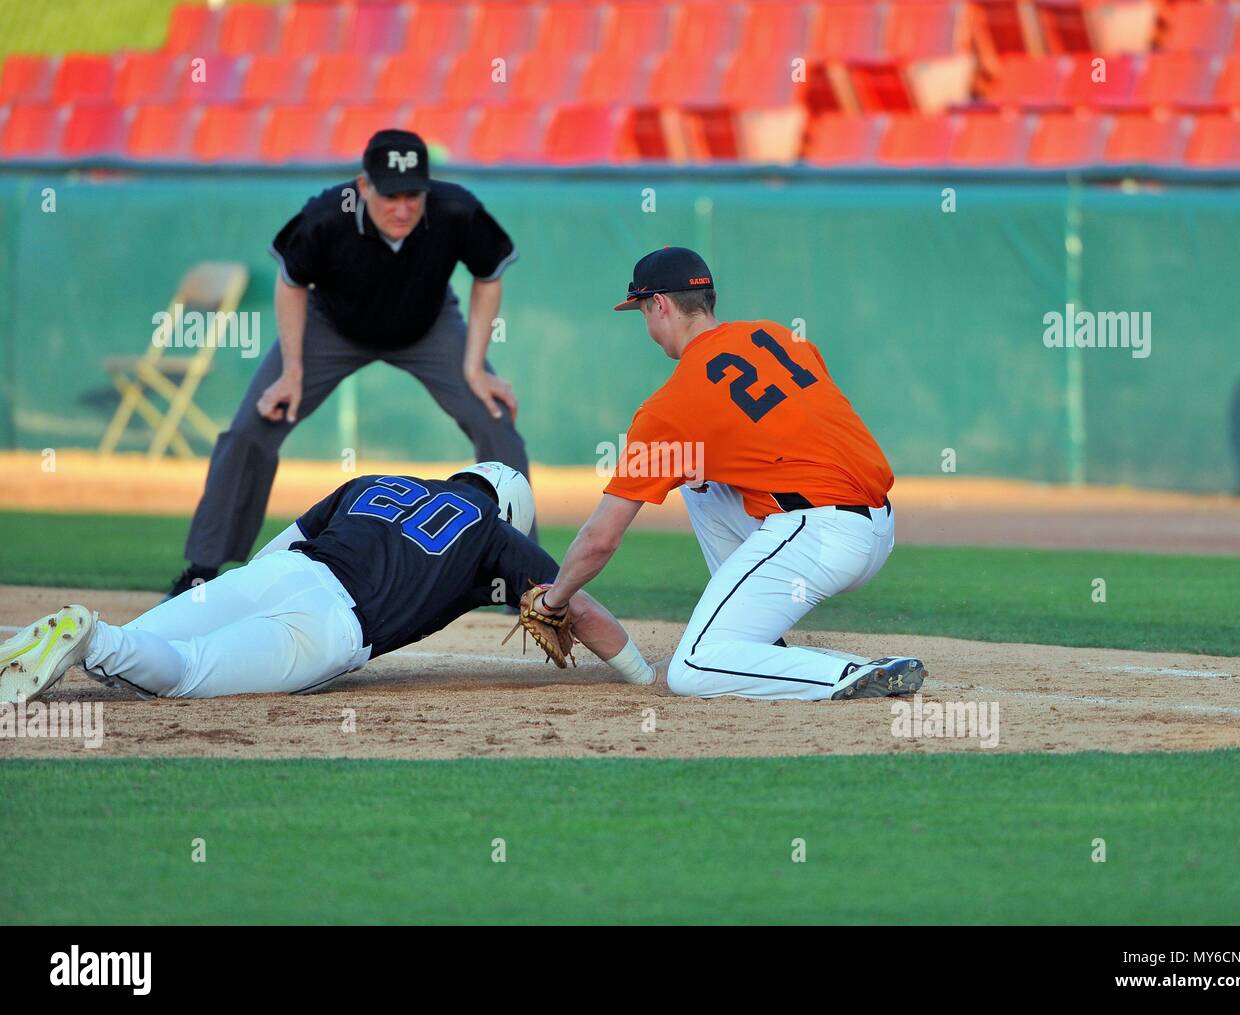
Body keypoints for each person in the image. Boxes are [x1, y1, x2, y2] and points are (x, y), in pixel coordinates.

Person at [529, 247, 926, 701]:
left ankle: (850, 672)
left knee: (692, 670)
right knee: (699, 482)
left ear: (660, 305)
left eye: (643, 311)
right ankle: (755, 639)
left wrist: (554, 599)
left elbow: (601, 537)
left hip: (819, 539)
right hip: (876, 524)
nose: (648, 327)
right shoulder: (777, 336)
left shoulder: (670, 409)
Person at [165, 128, 532, 598]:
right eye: (390, 195)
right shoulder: (327, 215)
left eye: (413, 195)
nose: (402, 207)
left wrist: (475, 367)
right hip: (330, 326)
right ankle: (202, 568)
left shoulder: (453, 208)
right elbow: (291, 280)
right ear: (364, 186)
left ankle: (523, 579)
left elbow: (488, 275)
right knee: (251, 428)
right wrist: (292, 372)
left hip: (427, 327)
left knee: (495, 419)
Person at [1, 464, 655, 702]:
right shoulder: (493, 533)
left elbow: (277, 546)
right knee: (180, 675)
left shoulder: (375, 481)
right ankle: (90, 634)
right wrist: (641, 675)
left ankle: (43, 640)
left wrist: (242, 594)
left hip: (283, 570)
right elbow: (582, 607)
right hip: (332, 623)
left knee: (135, 645)